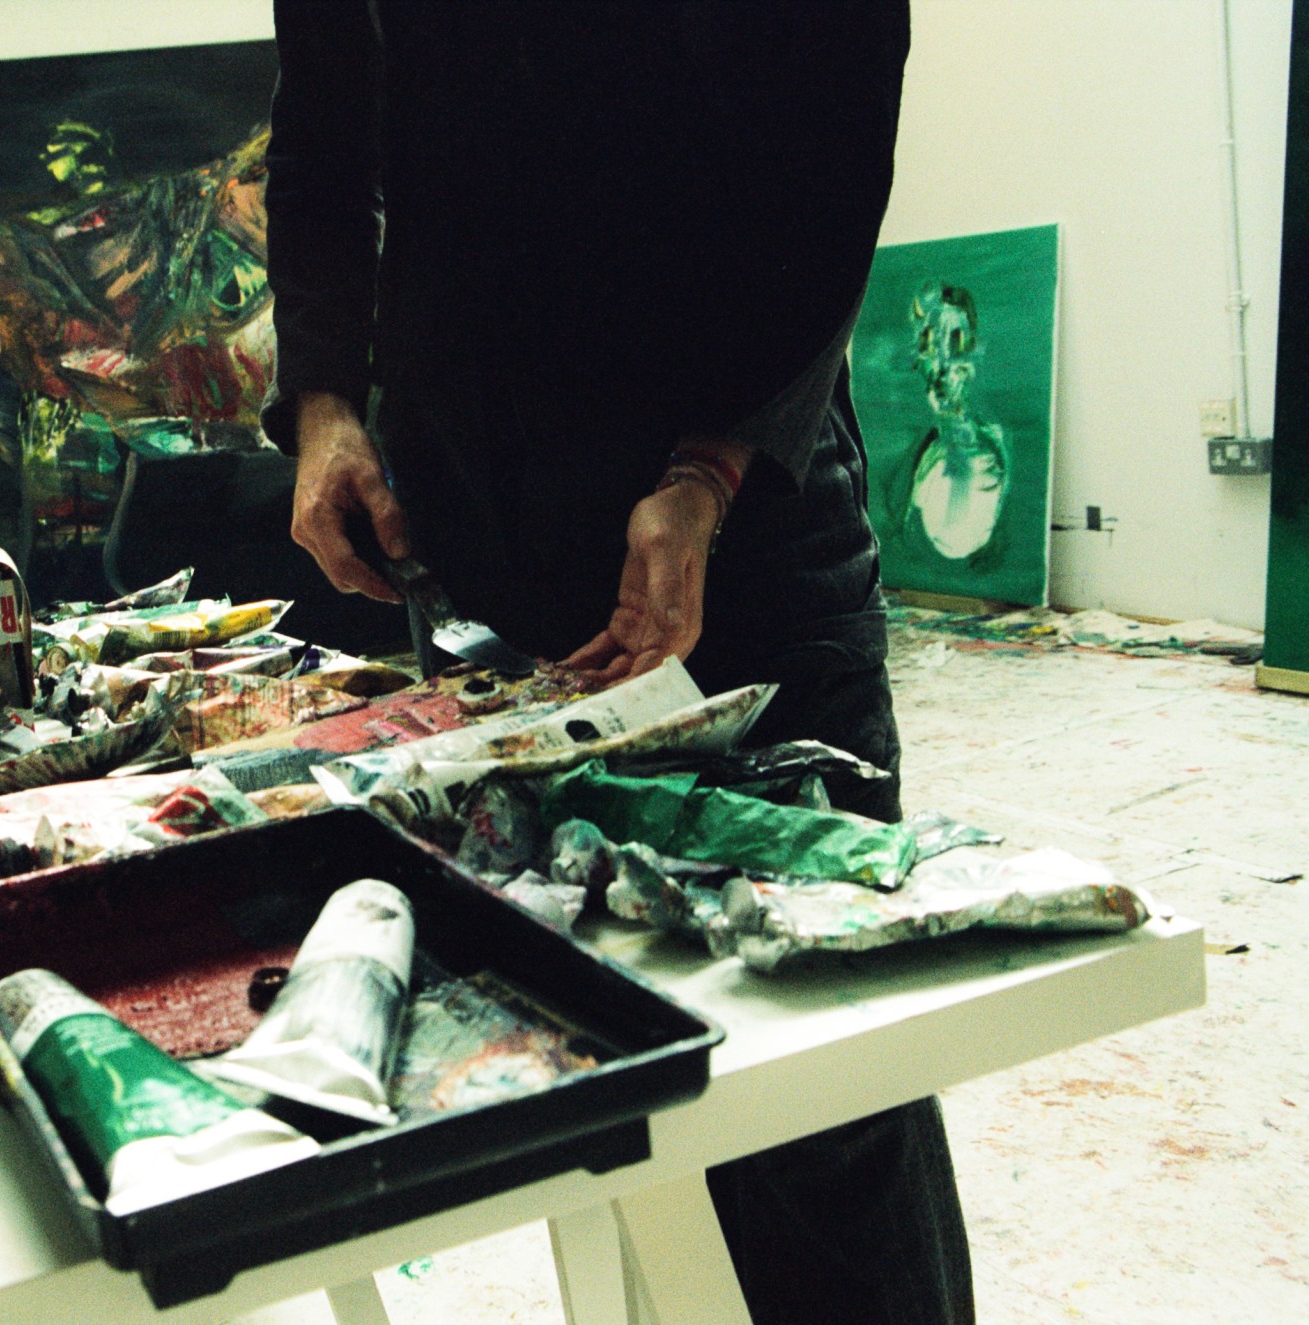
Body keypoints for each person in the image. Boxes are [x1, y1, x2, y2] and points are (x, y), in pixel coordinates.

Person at [261, 3, 974, 1322]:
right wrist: (321, 405)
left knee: (819, 1080)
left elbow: (828, 146)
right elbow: (319, 144)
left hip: (743, 529)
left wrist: (711, 468)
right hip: (480, 540)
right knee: (597, 1062)